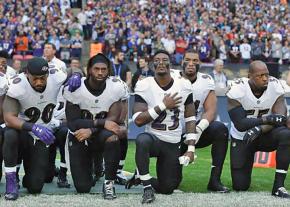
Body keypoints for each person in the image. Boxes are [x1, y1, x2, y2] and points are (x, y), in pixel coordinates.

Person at [127, 50, 196, 204]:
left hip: (172, 143)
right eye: (157, 60)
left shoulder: (184, 85)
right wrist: (163, 105)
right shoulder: (145, 85)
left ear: (170, 63)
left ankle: (141, 176)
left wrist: (191, 149)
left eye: (165, 59)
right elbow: (138, 120)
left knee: (168, 188)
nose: (161, 62)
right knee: (142, 140)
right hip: (154, 140)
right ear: (153, 64)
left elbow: (191, 118)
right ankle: (147, 187)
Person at [63, 53, 127, 199]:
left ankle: (109, 184)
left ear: (108, 70)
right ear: (89, 69)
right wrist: (100, 122)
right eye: (96, 69)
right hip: (79, 135)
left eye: (103, 69)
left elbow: (113, 120)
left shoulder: (115, 87)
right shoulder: (76, 88)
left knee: (113, 137)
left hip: (98, 134)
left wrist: (91, 129)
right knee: (83, 188)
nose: (100, 72)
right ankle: (94, 165)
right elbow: (73, 123)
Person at [2, 57, 67, 200]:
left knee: (35, 187)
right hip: (23, 132)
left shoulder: (57, 76)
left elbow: (75, 81)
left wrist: (77, 77)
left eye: (42, 78)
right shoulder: (17, 84)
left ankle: (30, 177)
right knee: (10, 133)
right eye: (35, 78)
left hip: (41, 135)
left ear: (48, 75)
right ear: (27, 74)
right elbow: (9, 118)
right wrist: (33, 127)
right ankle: (11, 181)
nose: (39, 82)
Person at [227, 60, 290, 198]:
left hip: (265, 134)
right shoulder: (237, 89)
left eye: (266, 75)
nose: (265, 78)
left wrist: (260, 129)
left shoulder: (275, 85)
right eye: (260, 76)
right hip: (243, 136)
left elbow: (280, 118)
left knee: (286, 134)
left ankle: (278, 186)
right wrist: (266, 119)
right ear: (250, 76)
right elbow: (240, 124)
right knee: (240, 186)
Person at [179, 50, 229, 193]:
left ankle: (215, 180)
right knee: (170, 183)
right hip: (175, 134)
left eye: (195, 60)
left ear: (199, 63)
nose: (191, 63)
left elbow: (211, 110)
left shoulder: (206, 80)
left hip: (196, 130)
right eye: (187, 59)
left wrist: (199, 129)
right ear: (181, 61)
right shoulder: (173, 78)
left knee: (220, 129)